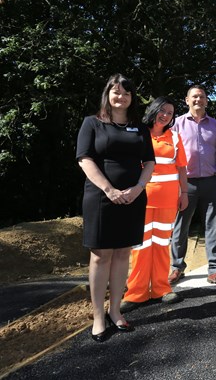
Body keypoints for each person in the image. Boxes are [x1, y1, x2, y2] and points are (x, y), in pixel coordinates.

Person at [76, 74, 155, 342]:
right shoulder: (92, 123)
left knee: (123, 254)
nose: (121, 97)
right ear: (107, 94)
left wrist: (138, 189)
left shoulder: (140, 128)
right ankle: (98, 316)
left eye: (126, 93)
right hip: (101, 198)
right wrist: (109, 190)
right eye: (116, 92)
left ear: (132, 98)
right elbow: (85, 159)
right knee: (101, 256)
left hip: (132, 198)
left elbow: (149, 162)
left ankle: (115, 311)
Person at [121, 97, 188, 313]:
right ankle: (135, 293)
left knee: (161, 244)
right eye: (163, 111)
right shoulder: (138, 133)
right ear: (154, 110)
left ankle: (161, 289)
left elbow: (182, 169)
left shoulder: (175, 137)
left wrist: (184, 193)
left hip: (168, 200)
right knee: (140, 247)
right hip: (141, 199)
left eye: (170, 112)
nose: (166, 115)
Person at [169, 85, 216, 286]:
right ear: (187, 100)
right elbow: (171, 153)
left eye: (202, 97)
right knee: (180, 226)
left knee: (212, 226)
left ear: (206, 101)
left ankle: (214, 270)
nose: (198, 100)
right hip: (185, 182)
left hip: (211, 182)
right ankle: (177, 267)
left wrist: (214, 168)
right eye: (194, 97)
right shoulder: (176, 124)